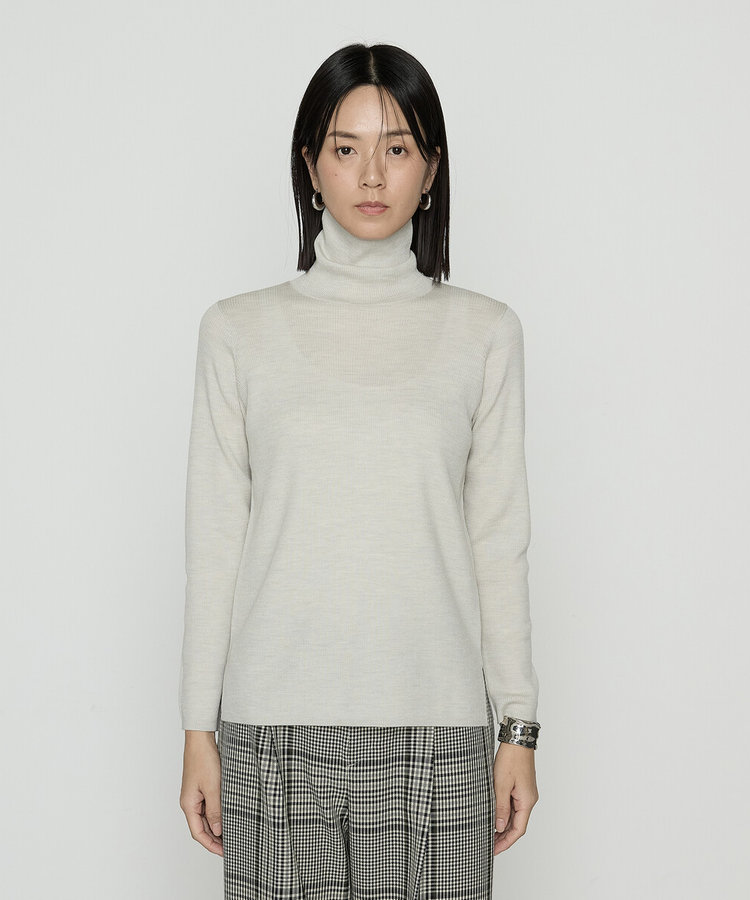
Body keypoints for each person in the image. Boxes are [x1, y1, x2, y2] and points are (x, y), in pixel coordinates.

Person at [179, 42, 541, 899]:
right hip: (272, 729)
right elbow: (215, 539)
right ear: (310, 165)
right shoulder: (236, 331)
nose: (372, 174)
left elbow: (499, 541)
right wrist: (197, 728)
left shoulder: (485, 332)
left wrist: (518, 730)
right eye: (346, 148)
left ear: (431, 169)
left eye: (398, 147)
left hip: (438, 731)